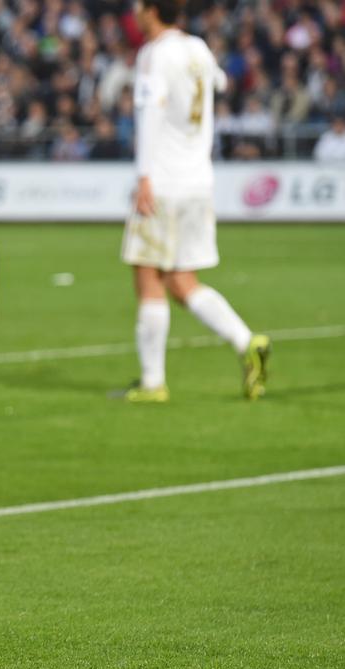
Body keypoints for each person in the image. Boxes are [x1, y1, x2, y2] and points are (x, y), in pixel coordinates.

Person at [121, 0, 270, 403]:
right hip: (199, 182)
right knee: (181, 281)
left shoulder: (154, 53)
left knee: (148, 275)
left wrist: (144, 177)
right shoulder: (197, 48)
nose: (133, 12)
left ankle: (153, 383)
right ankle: (246, 341)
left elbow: (149, 114)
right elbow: (220, 82)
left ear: (152, 11)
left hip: (165, 180)